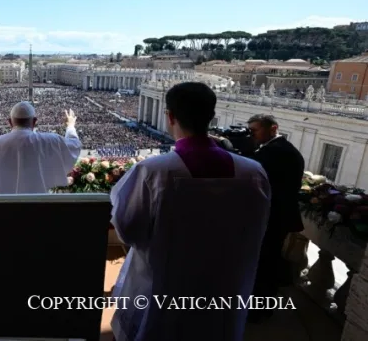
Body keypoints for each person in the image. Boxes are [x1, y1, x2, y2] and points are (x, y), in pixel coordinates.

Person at [109, 82, 271, 341]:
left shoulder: (154, 171)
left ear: (170, 116)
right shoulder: (253, 172)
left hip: (165, 287)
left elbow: (128, 230)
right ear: (212, 116)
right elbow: (259, 227)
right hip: (225, 286)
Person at [247, 114, 305, 322]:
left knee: (266, 264)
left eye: (255, 130)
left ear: (273, 128)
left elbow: (252, 169)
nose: (251, 135)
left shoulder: (278, 152)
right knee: (264, 262)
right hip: (274, 217)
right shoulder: (277, 149)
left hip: (274, 218)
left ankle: (260, 310)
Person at [0, 101, 82, 194]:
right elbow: (74, 145)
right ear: (34, 121)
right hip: (39, 208)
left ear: (10, 122)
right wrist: (70, 126)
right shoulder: (50, 141)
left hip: (2, 213)